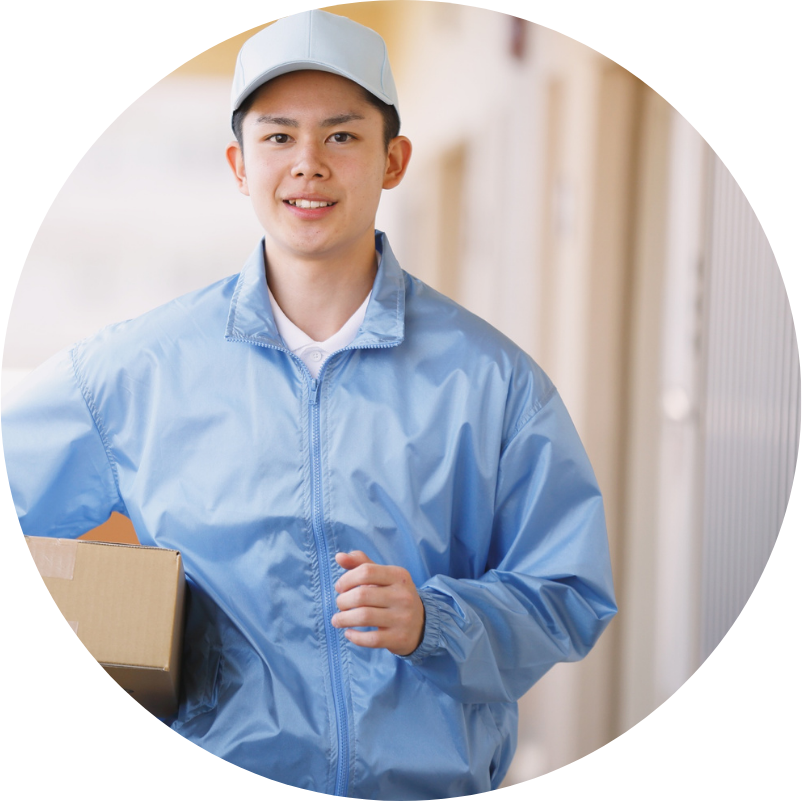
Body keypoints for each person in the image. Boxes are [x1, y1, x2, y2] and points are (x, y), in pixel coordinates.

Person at [2, 10, 616, 799]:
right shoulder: (132, 371)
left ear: (393, 160)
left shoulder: (492, 382)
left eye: (342, 136)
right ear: (238, 162)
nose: (308, 166)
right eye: (279, 136)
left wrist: (438, 621)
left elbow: (569, 592)